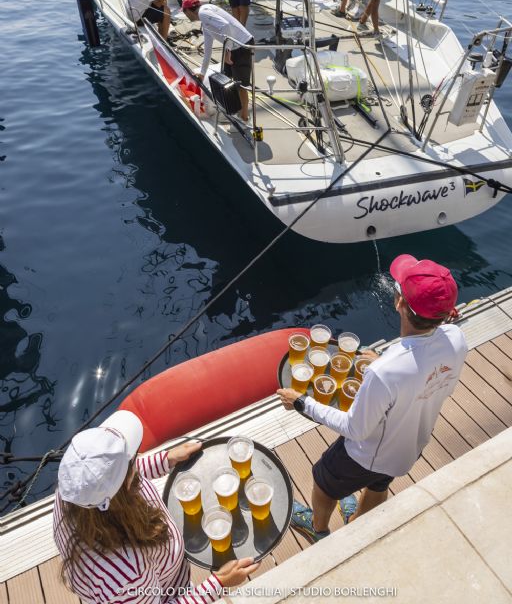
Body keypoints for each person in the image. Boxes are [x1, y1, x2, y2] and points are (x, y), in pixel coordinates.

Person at [277, 254, 467, 544]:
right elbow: (425, 372)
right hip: (409, 448)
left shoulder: (384, 372)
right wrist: (385, 361)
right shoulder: (456, 338)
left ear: (399, 303)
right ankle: (356, 525)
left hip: (367, 455)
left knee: (323, 482)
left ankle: (319, 531)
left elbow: (355, 429)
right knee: (379, 483)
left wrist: (302, 402)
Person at [54, 409, 259, 603]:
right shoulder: (128, 578)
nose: (135, 459)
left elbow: (111, 476)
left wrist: (165, 459)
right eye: (132, 458)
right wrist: (217, 584)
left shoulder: (74, 490)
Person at [181, 0, 254, 121]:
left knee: (240, 85)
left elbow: (225, 26)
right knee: (226, 79)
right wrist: (202, 73)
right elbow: (208, 50)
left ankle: (244, 118)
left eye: (184, 12)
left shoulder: (203, 12)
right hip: (234, 47)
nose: (185, 15)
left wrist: (227, 51)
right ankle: (234, 110)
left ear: (188, 10)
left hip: (242, 45)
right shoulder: (205, 21)